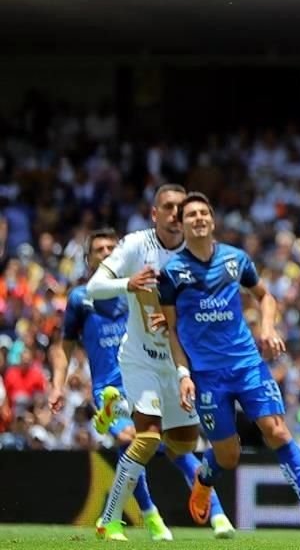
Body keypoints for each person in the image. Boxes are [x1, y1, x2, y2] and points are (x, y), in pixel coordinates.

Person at [156, 192, 300, 541]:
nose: (198, 218)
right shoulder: (171, 273)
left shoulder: (235, 259)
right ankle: (204, 479)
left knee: (278, 431)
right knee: (228, 456)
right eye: (190, 214)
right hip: (207, 376)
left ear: (211, 221)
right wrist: (183, 375)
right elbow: (172, 332)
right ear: (181, 224)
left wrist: (267, 328)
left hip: (248, 365)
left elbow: (265, 296)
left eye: (203, 213)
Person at [85, 186, 233, 540]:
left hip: (178, 365)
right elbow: (94, 287)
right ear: (155, 213)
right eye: (167, 207)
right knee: (147, 438)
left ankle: (117, 405)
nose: (174, 213)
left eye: (179, 208)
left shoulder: (199, 254)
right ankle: (109, 519)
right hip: (140, 359)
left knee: (183, 445)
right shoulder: (138, 245)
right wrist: (129, 284)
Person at [49, 228, 172, 540]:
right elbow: (64, 345)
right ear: (89, 259)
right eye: (98, 250)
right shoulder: (80, 298)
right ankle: (149, 514)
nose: (105, 254)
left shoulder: (139, 290)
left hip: (142, 380)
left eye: (110, 248)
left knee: (152, 442)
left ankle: (115, 516)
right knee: (130, 438)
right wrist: (57, 385)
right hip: (108, 389)